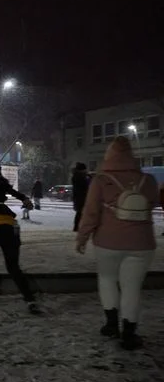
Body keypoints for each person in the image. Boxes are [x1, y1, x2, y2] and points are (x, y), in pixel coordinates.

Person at [76, 136, 157, 350]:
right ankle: (129, 334)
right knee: (132, 288)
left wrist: (82, 237)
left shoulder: (101, 180)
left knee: (107, 279)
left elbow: (90, 213)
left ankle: (111, 325)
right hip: (142, 244)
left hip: (108, 242)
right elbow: (155, 202)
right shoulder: (147, 180)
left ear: (108, 156)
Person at [71, 163, 89, 231]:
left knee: (80, 212)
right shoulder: (79, 177)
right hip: (81, 198)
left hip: (79, 198)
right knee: (81, 212)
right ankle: (77, 227)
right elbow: (84, 188)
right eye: (84, 170)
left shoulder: (77, 176)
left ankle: (78, 227)